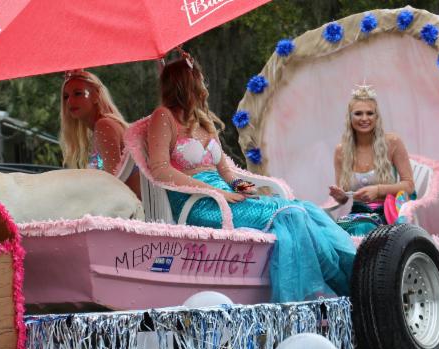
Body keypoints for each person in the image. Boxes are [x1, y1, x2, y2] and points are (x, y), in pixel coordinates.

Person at [145, 54, 356, 303]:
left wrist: (247, 188)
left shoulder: (204, 122)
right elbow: (160, 169)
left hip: (226, 197)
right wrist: (217, 193)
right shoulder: (163, 117)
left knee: (303, 209)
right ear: (185, 83)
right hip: (198, 202)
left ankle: (354, 272)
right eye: (199, 79)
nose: (204, 86)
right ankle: (333, 289)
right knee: (291, 215)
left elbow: (226, 173)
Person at [328, 86, 415, 235]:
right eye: (358, 113)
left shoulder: (392, 143)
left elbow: (409, 186)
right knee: (330, 232)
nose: (364, 118)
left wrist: (378, 190)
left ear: (376, 117)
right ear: (350, 117)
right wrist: (341, 197)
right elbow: (344, 198)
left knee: (362, 229)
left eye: (369, 113)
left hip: (387, 215)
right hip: (356, 215)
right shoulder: (341, 151)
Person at [60, 70, 141, 197]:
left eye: (78, 93)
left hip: (133, 206)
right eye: (66, 96)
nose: (70, 101)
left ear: (96, 95)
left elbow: (115, 183)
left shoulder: (104, 126)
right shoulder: (104, 125)